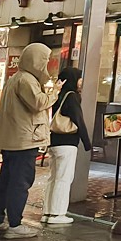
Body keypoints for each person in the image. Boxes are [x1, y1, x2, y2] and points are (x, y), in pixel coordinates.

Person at [0, 43, 54, 239]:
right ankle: (15, 225)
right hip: (24, 141)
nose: (47, 65)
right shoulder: (27, 80)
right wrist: (54, 91)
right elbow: (39, 103)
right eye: (45, 60)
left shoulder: (15, 79)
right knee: (20, 183)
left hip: (12, 140)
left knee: (5, 182)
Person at [42, 67, 92, 224]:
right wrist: (86, 142)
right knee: (64, 178)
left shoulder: (59, 94)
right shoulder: (72, 97)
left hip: (54, 141)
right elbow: (78, 119)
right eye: (79, 79)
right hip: (67, 143)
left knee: (53, 178)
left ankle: (47, 212)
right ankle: (58, 214)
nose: (81, 82)